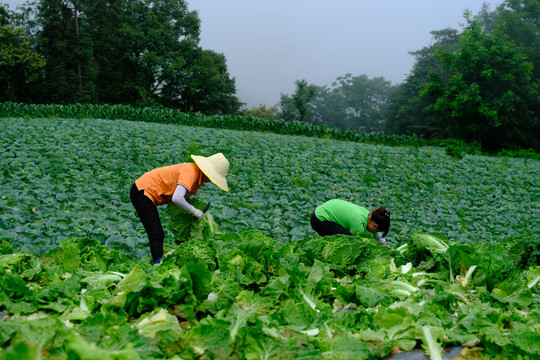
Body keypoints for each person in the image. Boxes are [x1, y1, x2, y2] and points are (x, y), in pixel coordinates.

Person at [130, 153, 229, 263]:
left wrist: (191, 215)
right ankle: (158, 265)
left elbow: (182, 199)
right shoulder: (191, 172)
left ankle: (158, 262)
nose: (212, 180)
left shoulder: (197, 177)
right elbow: (177, 198)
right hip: (142, 191)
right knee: (156, 233)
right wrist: (195, 211)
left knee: (157, 233)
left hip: (146, 192)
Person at [310, 199, 390, 246]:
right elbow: (357, 244)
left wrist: (382, 243)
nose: (375, 233)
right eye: (377, 230)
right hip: (319, 220)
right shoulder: (358, 223)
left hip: (322, 211)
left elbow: (378, 236)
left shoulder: (367, 214)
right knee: (350, 242)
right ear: (375, 226)